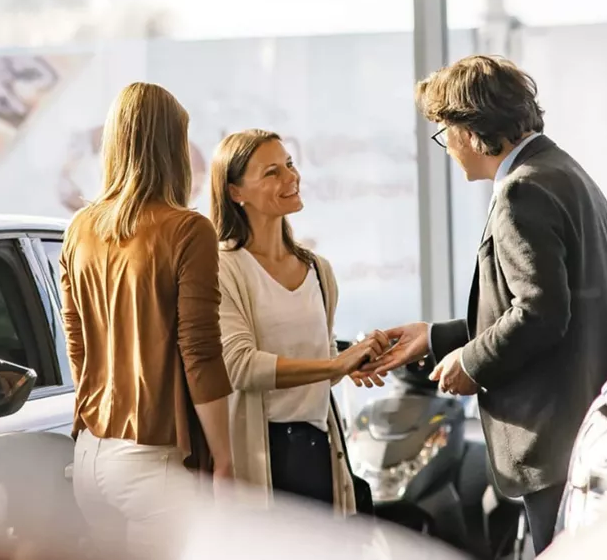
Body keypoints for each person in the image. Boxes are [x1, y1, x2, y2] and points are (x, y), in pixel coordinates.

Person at [355, 55, 607, 554]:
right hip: (579, 428)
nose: (447, 147)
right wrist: (436, 338)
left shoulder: (522, 191)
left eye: (444, 131)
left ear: (470, 128)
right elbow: (535, 307)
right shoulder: (564, 172)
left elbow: (541, 314)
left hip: (550, 437)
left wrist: (472, 363)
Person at [59, 83, 233, 557]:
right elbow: (199, 351)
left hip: (90, 456)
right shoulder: (188, 229)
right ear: (173, 147)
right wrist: (224, 454)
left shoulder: (79, 228)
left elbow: (77, 347)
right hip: (151, 461)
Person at [210, 129, 387, 513]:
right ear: (236, 192)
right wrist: (334, 364)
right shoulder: (224, 267)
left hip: (317, 448)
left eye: (289, 164)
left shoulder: (317, 270)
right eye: (272, 172)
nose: (291, 177)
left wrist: (352, 359)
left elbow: (323, 367)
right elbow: (240, 366)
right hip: (266, 452)